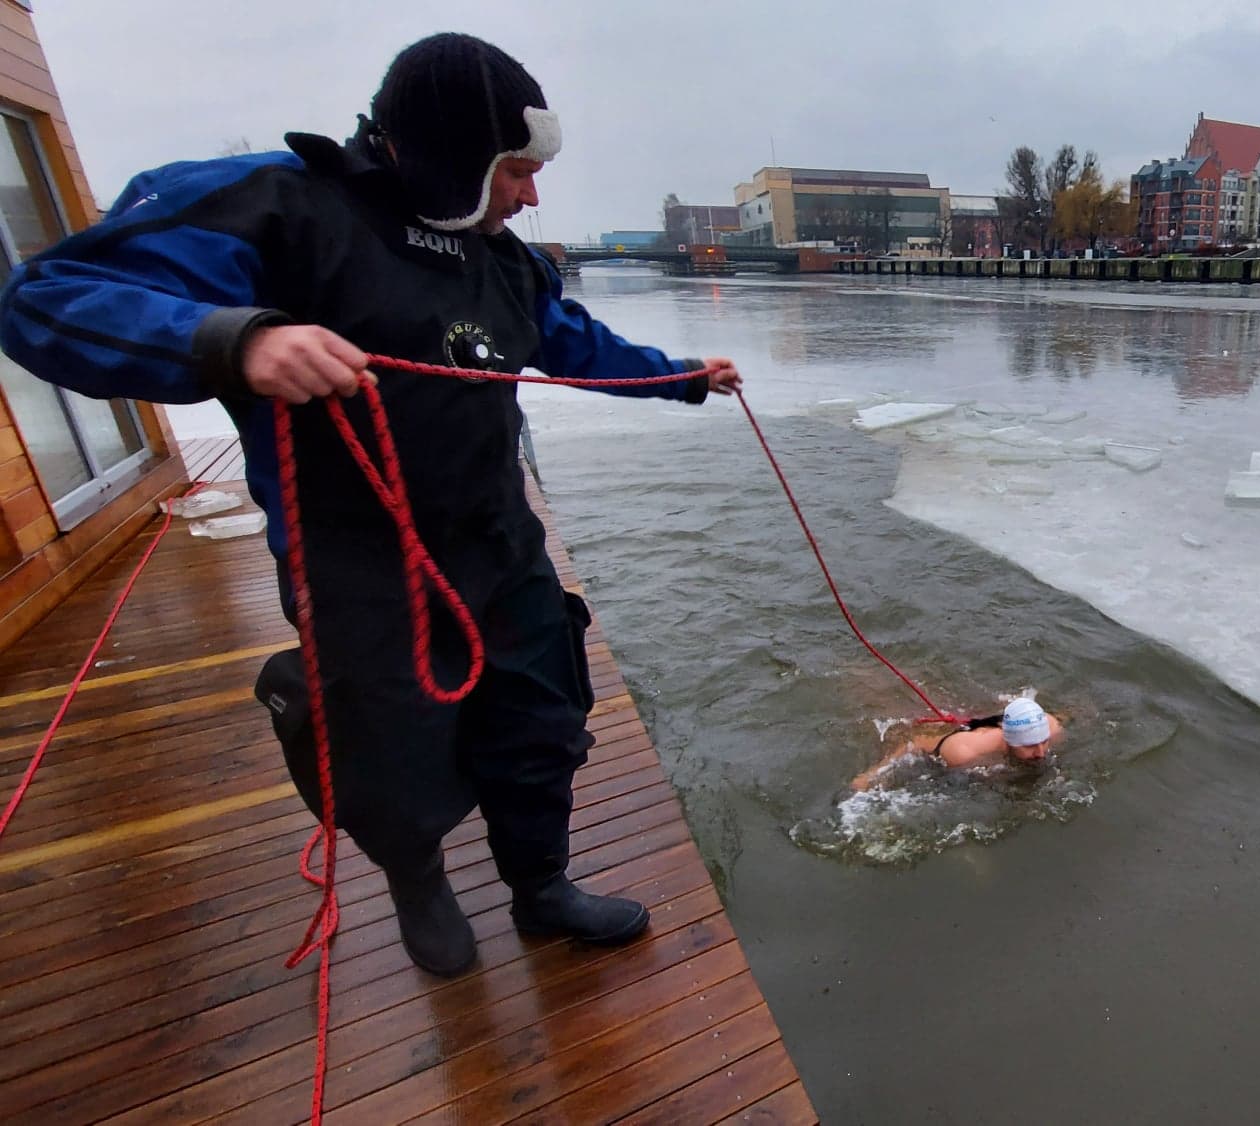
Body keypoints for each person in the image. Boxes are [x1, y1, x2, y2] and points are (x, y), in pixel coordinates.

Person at [0, 33, 743, 978]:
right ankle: (416, 878)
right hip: (354, 560)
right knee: (390, 746)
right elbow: (43, 301)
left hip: (497, 542)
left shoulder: (500, 259)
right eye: (518, 171)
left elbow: (571, 341)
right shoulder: (278, 207)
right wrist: (235, 339)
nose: (531, 196)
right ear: (457, 157)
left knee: (541, 722)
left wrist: (684, 376)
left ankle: (541, 887)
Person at [851, 697, 1065, 791]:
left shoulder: (1052, 727)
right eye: (1029, 746)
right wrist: (873, 773)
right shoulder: (964, 752)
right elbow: (916, 742)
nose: (1041, 753)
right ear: (1008, 739)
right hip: (949, 739)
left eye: (1043, 742)